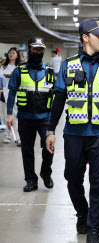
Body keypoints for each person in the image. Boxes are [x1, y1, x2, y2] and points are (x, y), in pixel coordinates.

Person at [45, 18, 99, 243]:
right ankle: (83, 211)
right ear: (85, 38)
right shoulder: (68, 65)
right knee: (72, 178)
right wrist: (50, 130)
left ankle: (94, 232)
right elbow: (59, 99)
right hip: (74, 133)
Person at [7, 38, 55, 192]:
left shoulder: (49, 72)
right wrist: (9, 115)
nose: (38, 52)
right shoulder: (19, 71)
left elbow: (56, 95)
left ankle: (45, 173)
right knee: (27, 150)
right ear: (29, 50)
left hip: (45, 118)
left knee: (49, 148)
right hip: (25, 117)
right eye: (35, 50)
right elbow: (11, 94)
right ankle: (31, 180)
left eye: (41, 50)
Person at [0, 47, 22, 144]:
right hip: (4, 95)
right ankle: (7, 136)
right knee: (5, 116)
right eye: (10, 53)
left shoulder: (20, 67)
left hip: (16, 95)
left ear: (17, 55)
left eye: (13, 53)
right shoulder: (3, 67)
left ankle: (17, 136)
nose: (11, 54)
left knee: (16, 116)